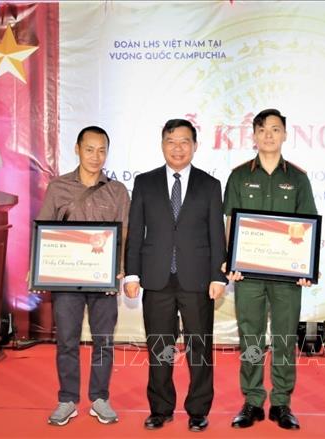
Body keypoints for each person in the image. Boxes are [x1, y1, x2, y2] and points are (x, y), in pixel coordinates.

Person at [124, 119, 226, 432]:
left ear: (195, 145)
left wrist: (218, 277)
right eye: (171, 141)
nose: (178, 147)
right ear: (162, 144)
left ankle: (198, 410)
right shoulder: (145, 182)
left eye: (184, 141)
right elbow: (136, 232)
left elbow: (215, 234)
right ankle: (160, 408)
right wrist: (131, 274)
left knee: (200, 348)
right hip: (156, 279)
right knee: (159, 348)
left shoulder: (210, 185)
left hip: (197, 280)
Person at [223, 108, 317, 430]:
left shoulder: (298, 178)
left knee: (284, 337)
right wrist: (230, 260)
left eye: (275, 130)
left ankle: (281, 403)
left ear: (285, 135)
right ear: (253, 136)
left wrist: (306, 266)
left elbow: (307, 228)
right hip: (247, 274)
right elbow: (229, 223)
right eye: (262, 129)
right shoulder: (238, 176)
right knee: (250, 337)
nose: (268, 135)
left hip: (287, 276)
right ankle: (251, 400)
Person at [36, 126, 130, 427]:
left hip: (103, 280)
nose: (96, 156)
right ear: (77, 149)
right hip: (66, 281)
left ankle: (100, 398)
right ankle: (67, 399)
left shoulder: (117, 191)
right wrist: (37, 268)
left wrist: (122, 268)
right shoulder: (58, 187)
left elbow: (125, 234)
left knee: (104, 340)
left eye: (102, 150)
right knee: (66, 339)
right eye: (89, 149)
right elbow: (43, 230)